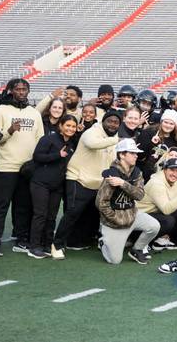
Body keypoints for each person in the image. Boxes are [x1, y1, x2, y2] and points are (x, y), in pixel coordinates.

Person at [0, 78, 44, 256]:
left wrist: (35, 163)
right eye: (18, 89)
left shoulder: (34, 113)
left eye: (24, 89)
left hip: (27, 167)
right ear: (11, 90)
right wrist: (10, 131)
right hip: (6, 165)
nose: (21, 92)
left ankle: (21, 239)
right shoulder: (0, 110)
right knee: (1, 205)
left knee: (23, 206)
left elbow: (39, 140)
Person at [53, 110, 121, 257]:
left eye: (116, 123)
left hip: (96, 182)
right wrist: (116, 141)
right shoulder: (92, 132)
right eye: (110, 121)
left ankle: (77, 241)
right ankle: (57, 244)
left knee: (91, 214)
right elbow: (92, 144)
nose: (112, 125)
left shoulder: (113, 138)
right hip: (78, 178)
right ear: (103, 121)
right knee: (72, 212)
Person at [96, 138, 159, 265]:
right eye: (132, 153)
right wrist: (115, 218)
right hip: (114, 222)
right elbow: (101, 203)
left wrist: (123, 184)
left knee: (154, 226)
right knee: (114, 260)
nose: (136, 155)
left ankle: (137, 250)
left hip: (132, 215)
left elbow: (140, 195)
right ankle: (103, 241)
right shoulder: (111, 174)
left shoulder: (136, 172)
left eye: (136, 153)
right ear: (121, 155)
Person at [27, 115, 78, 259]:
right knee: (40, 215)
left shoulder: (73, 144)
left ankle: (47, 244)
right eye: (67, 125)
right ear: (61, 126)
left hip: (57, 186)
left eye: (73, 126)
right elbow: (37, 156)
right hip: (40, 183)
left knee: (51, 216)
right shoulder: (48, 139)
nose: (70, 129)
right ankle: (34, 246)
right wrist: (57, 155)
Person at [138, 158, 177, 251]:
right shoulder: (156, 183)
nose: (174, 174)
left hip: (154, 214)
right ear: (164, 169)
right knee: (169, 221)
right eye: (172, 170)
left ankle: (160, 240)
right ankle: (142, 241)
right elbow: (166, 209)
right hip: (140, 217)